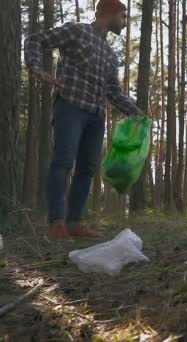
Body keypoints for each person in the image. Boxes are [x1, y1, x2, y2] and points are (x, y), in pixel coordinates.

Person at [24, 0, 145, 240]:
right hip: (70, 106)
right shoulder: (77, 30)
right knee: (63, 161)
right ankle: (56, 224)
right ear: (109, 13)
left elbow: (114, 92)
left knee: (87, 169)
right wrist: (37, 68)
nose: (124, 22)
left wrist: (136, 112)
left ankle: (75, 223)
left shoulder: (111, 55)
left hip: (96, 116)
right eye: (123, 16)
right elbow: (35, 40)